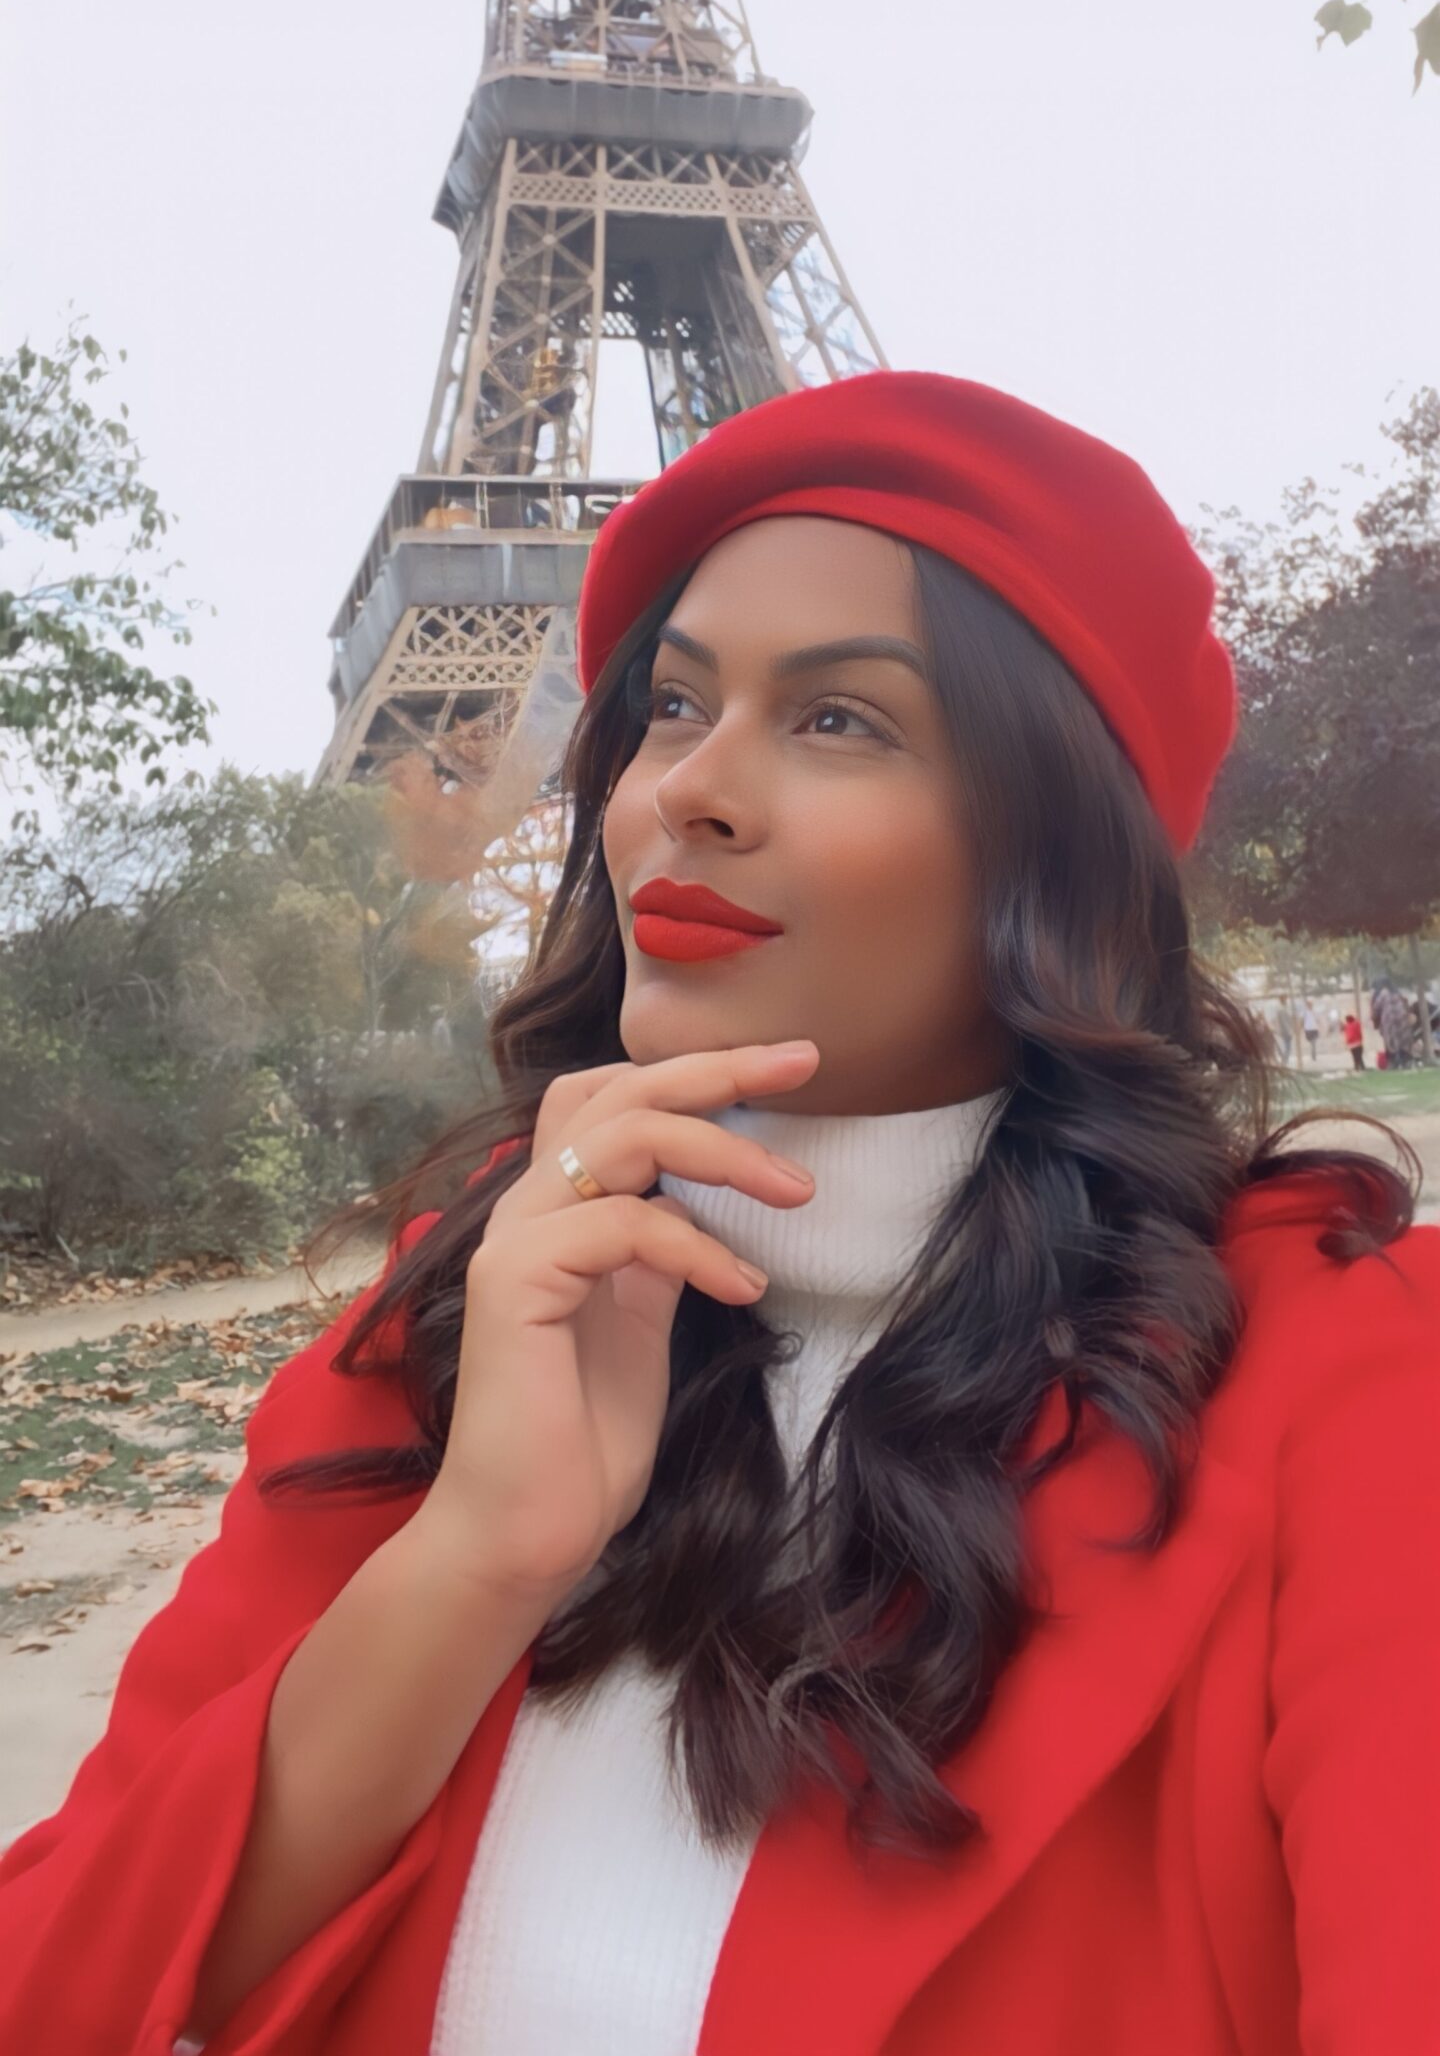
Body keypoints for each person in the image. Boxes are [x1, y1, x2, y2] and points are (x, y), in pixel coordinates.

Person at [2, 370, 1436, 2056]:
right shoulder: (480, 1298)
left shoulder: (1344, 1381)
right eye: (673, 706)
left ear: (1054, 849)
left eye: (841, 721)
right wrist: (473, 1563)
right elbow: (60, 1987)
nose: (692, 788)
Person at [1301, 999, 1320, 1066]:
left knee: (1313, 1043)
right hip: (1308, 1029)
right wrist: (1302, 1028)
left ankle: (1313, 1056)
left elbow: (1317, 1020)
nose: (1310, 1006)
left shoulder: (1314, 1012)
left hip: (1314, 1029)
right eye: (1309, 1005)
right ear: (1307, 1005)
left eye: (1311, 1005)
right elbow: (1302, 1021)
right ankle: (1313, 1055)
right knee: (1312, 1043)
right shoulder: (1305, 1012)